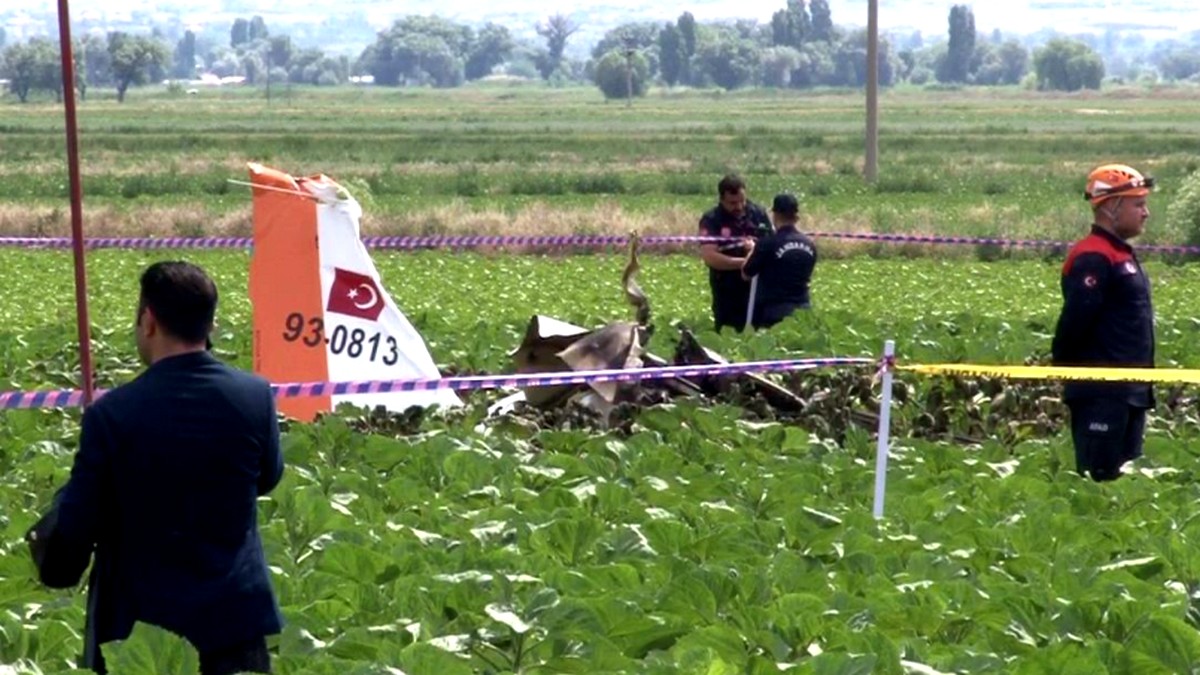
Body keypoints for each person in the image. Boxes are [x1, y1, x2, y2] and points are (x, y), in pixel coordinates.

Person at [26, 261, 284, 673]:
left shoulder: (113, 415)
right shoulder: (254, 396)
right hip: (233, 624)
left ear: (148, 321)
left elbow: (76, 524)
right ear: (210, 325)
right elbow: (267, 478)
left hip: (138, 634)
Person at [1051, 163, 1156, 482]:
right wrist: (1072, 372)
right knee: (1099, 483)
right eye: (1138, 204)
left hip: (1131, 393)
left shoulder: (1121, 254)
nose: (1146, 212)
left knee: (1125, 488)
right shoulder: (1093, 256)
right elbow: (1074, 323)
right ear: (1111, 207)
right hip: (1102, 395)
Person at [697, 173, 774, 332]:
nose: (738, 207)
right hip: (727, 288)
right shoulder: (711, 220)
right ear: (721, 199)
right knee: (728, 332)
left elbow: (772, 244)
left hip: (758, 288)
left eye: (742, 201)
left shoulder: (758, 213)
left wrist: (755, 258)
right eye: (732, 203)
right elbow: (710, 257)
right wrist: (747, 264)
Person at [740, 193, 818, 329]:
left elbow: (746, 273)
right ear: (796, 216)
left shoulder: (768, 243)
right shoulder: (810, 244)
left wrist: (752, 250)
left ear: (775, 215)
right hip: (804, 309)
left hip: (775, 312)